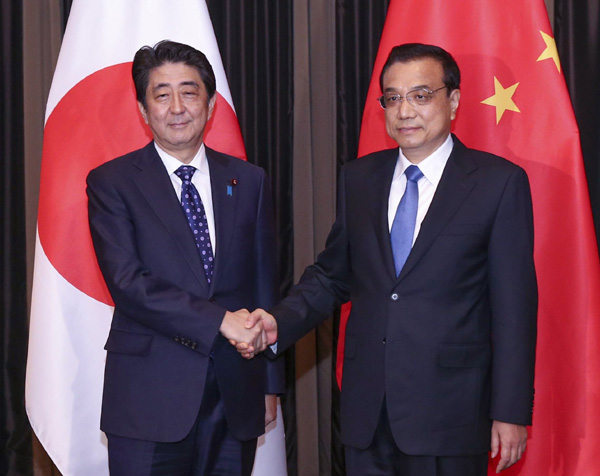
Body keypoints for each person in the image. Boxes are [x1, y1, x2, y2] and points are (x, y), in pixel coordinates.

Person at [242, 43, 537, 476]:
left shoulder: (498, 183)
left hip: (451, 414)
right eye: (393, 98)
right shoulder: (359, 178)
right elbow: (332, 276)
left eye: (420, 95)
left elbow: (514, 308)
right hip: (367, 412)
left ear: (452, 101)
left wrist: (510, 410)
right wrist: (277, 322)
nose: (405, 111)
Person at [86, 40, 283, 476]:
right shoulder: (111, 182)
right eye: (162, 94)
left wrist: (270, 384)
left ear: (211, 105)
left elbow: (264, 283)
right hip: (149, 398)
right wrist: (220, 320)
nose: (177, 106)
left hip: (236, 394)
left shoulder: (248, 180)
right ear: (143, 109)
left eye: (190, 92)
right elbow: (128, 283)